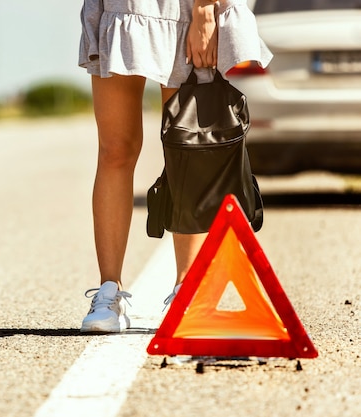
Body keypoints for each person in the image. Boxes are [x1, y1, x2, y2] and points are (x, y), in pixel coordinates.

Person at [79, 0, 272, 333]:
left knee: (188, 152)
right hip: (121, 7)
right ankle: (108, 292)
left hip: (183, 9)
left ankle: (186, 290)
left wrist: (204, 10)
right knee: (115, 150)